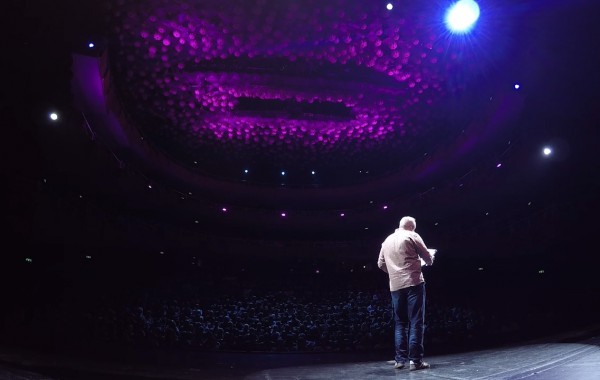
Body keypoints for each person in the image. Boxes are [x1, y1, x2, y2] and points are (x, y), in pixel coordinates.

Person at [377, 216, 436, 370]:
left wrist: (394, 273)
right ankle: (415, 362)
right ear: (411, 227)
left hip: (395, 286)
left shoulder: (387, 240)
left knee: (399, 323)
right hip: (413, 282)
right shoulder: (412, 235)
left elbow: (380, 263)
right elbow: (427, 257)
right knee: (415, 321)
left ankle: (399, 360)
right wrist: (429, 260)